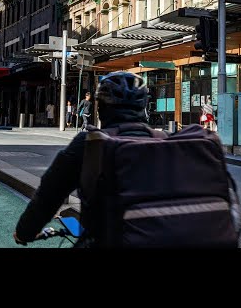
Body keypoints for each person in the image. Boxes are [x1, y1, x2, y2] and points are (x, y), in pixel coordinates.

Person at [13, 72, 151, 248]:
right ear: (144, 107)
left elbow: (48, 196)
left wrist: (25, 232)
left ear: (100, 108)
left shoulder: (89, 144)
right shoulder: (165, 141)